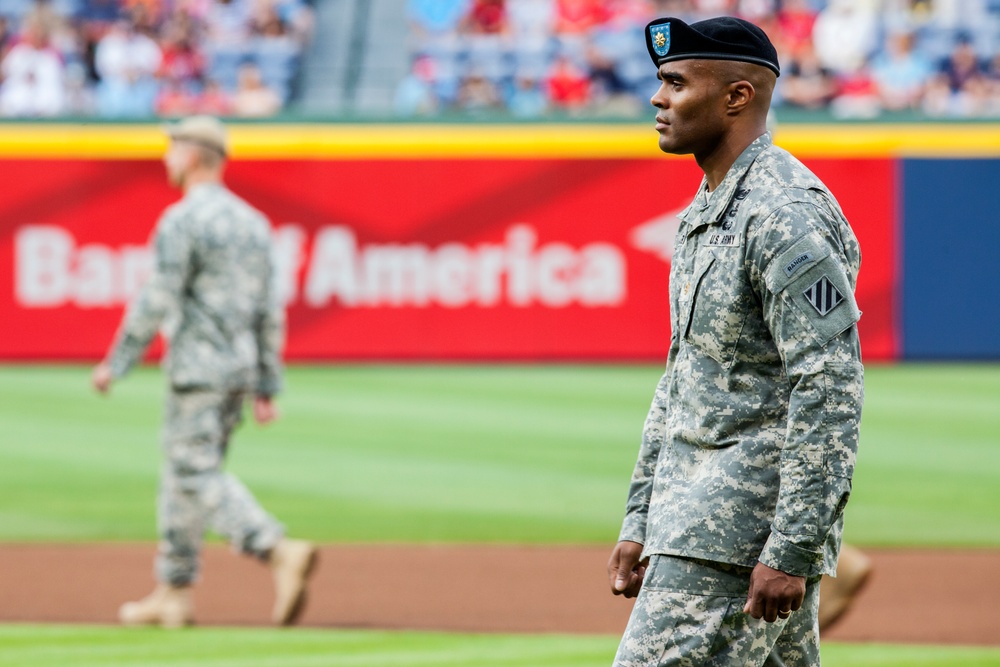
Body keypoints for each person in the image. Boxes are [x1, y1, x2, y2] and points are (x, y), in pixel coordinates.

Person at [606, 16, 864, 666]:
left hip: (740, 536)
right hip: (699, 522)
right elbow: (684, 377)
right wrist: (642, 517)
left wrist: (793, 546)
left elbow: (829, 386)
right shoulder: (710, 206)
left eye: (675, 82)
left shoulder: (782, 213)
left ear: (737, 96)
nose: (658, 98)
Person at [91, 116, 317, 628]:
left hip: (198, 366)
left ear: (193, 157)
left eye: (174, 149)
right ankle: (174, 592)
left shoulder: (183, 219)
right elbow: (269, 309)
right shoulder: (253, 222)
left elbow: (158, 296)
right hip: (237, 368)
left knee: (192, 472)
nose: (167, 158)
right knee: (180, 476)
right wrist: (266, 383)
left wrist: (117, 361)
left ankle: (276, 548)